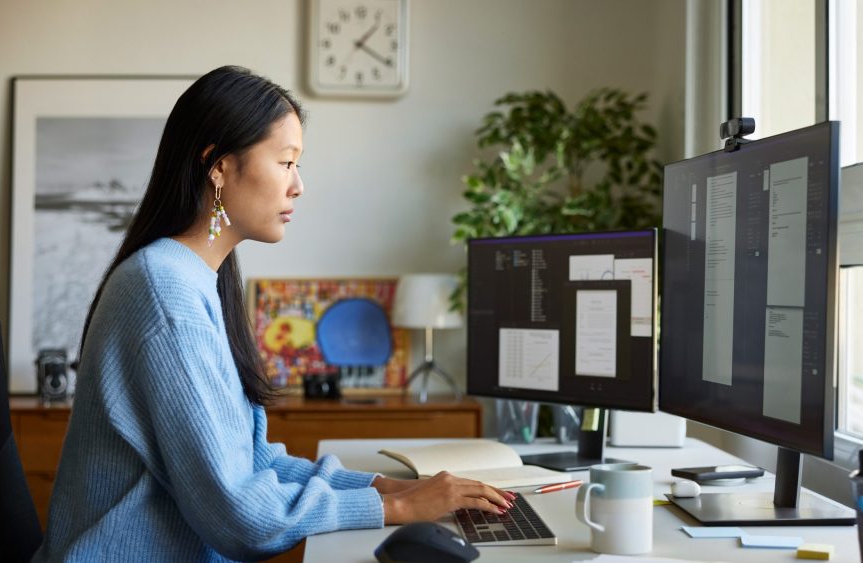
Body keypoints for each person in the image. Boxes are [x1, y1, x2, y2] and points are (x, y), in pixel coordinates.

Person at [32, 66, 513, 562]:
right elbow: (241, 517)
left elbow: (253, 462)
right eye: (286, 162)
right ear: (218, 166)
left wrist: (386, 486)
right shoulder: (165, 291)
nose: (298, 185)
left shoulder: (193, 278)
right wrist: (397, 508)